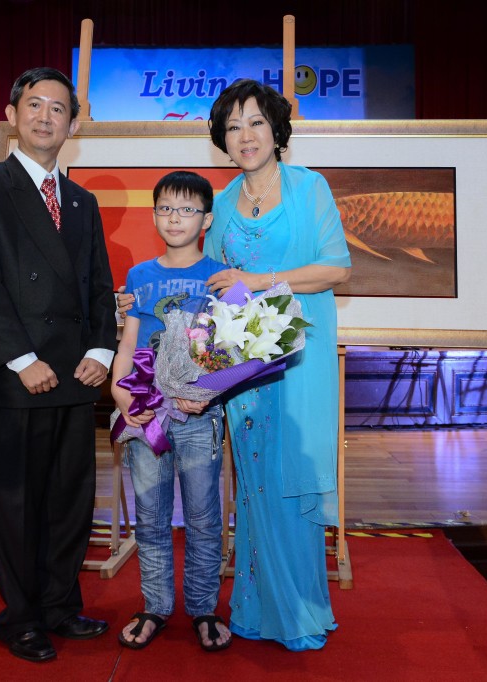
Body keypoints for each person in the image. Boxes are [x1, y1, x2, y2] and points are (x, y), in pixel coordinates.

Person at [0, 66, 117, 663]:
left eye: (58, 109)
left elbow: (100, 285)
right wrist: (22, 359)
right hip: (13, 376)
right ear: (13, 113)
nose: (46, 116)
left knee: (70, 499)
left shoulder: (81, 201)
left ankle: (58, 606)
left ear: (72, 124)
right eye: (35, 105)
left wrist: (101, 350)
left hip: (75, 375)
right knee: (15, 502)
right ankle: (19, 617)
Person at [204, 79, 351, 651]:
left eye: (256, 122)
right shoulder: (218, 205)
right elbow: (209, 286)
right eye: (234, 125)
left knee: (294, 478)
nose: (245, 135)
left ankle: (300, 611)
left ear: (276, 130)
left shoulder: (309, 188)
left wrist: (259, 281)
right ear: (223, 137)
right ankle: (258, 609)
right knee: (257, 481)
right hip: (246, 366)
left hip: (303, 359)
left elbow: (336, 268)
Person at [112, 171, 232, 652]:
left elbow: (229, 350)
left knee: (204, 518)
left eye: (186, 209)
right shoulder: (139, 277)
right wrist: (121, 392)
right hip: (147, 418)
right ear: (154, 214)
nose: (175, 217)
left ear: (205, 218)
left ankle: (204, 608)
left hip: (199, 417)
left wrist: (208, 390)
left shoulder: (220, 275)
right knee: (151, 517)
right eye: (166, 208)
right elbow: (127, 344)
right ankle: (155, 606)